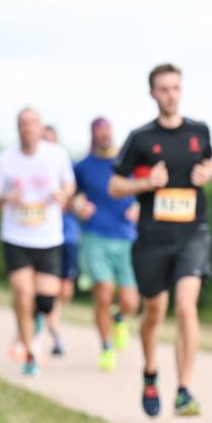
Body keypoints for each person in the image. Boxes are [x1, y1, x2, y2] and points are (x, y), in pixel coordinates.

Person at [109, 63, 212, 417]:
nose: (171, 94)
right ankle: (150, 372)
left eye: (175, 88)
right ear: (153, 93)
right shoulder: (140, 139)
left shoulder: (200, 132)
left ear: (181, 90)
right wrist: (145, 183)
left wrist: (208, 173)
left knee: (186, 306)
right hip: (153, 238)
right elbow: (114, 185)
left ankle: (184, 389)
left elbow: (208, 166)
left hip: (192, 233)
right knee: (154, 312)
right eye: (164, 89)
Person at [0, 108, 76, 376]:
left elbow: (69, 186)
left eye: (33, 124)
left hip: (48, 237)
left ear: (40, 127)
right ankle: (31, 351)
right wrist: (6, 199)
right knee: (23, 293)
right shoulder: (4, 160)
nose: (28, 129)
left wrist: (63, 194)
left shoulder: (56, 155)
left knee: (46, 301)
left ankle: (31, 324)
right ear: (18, 128)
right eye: (23, 124)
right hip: (17, 237)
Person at [74, 117, 140, 371]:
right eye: (99, 132)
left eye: (107, 131)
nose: (104, 135)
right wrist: (79, 205)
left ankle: (119, 317)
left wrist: (137, 206)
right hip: (95, 236)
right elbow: (72, 196)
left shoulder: (126, 162)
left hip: (125, 236)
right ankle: (106, 347)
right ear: (92, 135)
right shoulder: (83, 167)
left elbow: (143, 189)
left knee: (131, 302)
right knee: (103, 292)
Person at [42, 124, 78, 356]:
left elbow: (77, 195)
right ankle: (54, 333)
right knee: (45, 289)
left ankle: (51, 319)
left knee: (64, 289)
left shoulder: (66, 167)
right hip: (41, 237)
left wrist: (70, 199)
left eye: (51, 140)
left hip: (68, 233)